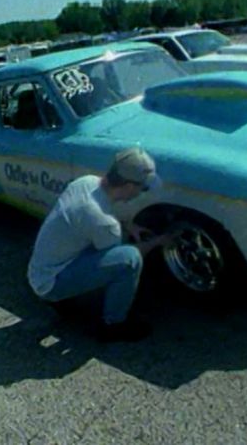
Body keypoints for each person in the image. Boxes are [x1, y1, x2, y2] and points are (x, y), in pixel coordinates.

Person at [27, 147, 176, 342]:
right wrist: (161, 240)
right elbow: (125, 254)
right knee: (129, 259)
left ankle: (65, 298)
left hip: (41, 268)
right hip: (51, 283)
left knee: (111, 248)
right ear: (130, 186)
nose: (142, 192)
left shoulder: (86, 183)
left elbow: (92, 220)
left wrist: (128, 226)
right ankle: (113, 325)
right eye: (143, 187)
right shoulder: (103, 222)